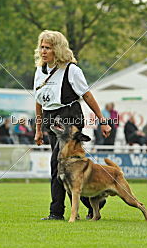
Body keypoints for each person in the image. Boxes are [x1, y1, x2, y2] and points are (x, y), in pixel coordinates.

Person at [33, 30, 111, 220]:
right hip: (51, 117)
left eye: (48, 48)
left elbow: (87, 95)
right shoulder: (39, 70)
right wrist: (38, 129)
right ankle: (93, 202)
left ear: (57, 49)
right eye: (42, 47)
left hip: (69, 116)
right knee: (62, 167)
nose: (43, 51)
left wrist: (102, 120)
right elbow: (38, 101)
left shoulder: (71, 70)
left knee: (58, 164)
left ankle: (56, 212)